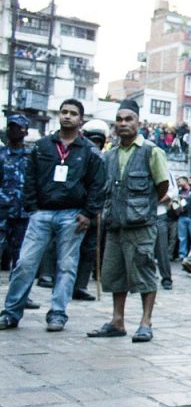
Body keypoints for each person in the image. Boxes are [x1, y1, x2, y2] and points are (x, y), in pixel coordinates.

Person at [0, 100, 105, 332]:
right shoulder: (42, 146)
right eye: (64, 112)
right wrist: (33, 207)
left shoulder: (89, 150)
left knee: (66, 266)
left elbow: (98, 184)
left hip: (73, 215)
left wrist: (88, 213)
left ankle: (58, 313)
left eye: (73, 113)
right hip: (42, 213)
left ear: (81, 120)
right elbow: (30, 178)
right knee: (25, 264)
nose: (67, 116)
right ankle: (10, 313)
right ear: (59, 116)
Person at [88, 99, 170, 342]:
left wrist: (141, 208)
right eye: (119, 119)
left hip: (141, 226)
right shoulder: (109, 155)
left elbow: (162, 185)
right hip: (114, 225)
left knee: (144, 272)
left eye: (128, 119)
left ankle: (145, 322)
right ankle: (117, 320)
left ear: (138, 123)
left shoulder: (151, 151)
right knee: (115, 274)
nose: (123, 124)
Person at [73, 119, 110, 299]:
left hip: (97, 210)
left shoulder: (106, 159)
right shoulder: (77, 156)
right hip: (77, 208)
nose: (95, 145)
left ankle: (80, 285)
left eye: (98, 142)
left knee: (90, 249)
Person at [0, 114, 32, 280]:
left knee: (21, 257)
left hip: (23, 213)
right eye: (11, 127)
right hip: (2, 212)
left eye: (18, 127)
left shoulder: (32, 155)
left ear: (26, 131)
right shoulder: (1, 154)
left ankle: (18, 296)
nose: (14, 131)